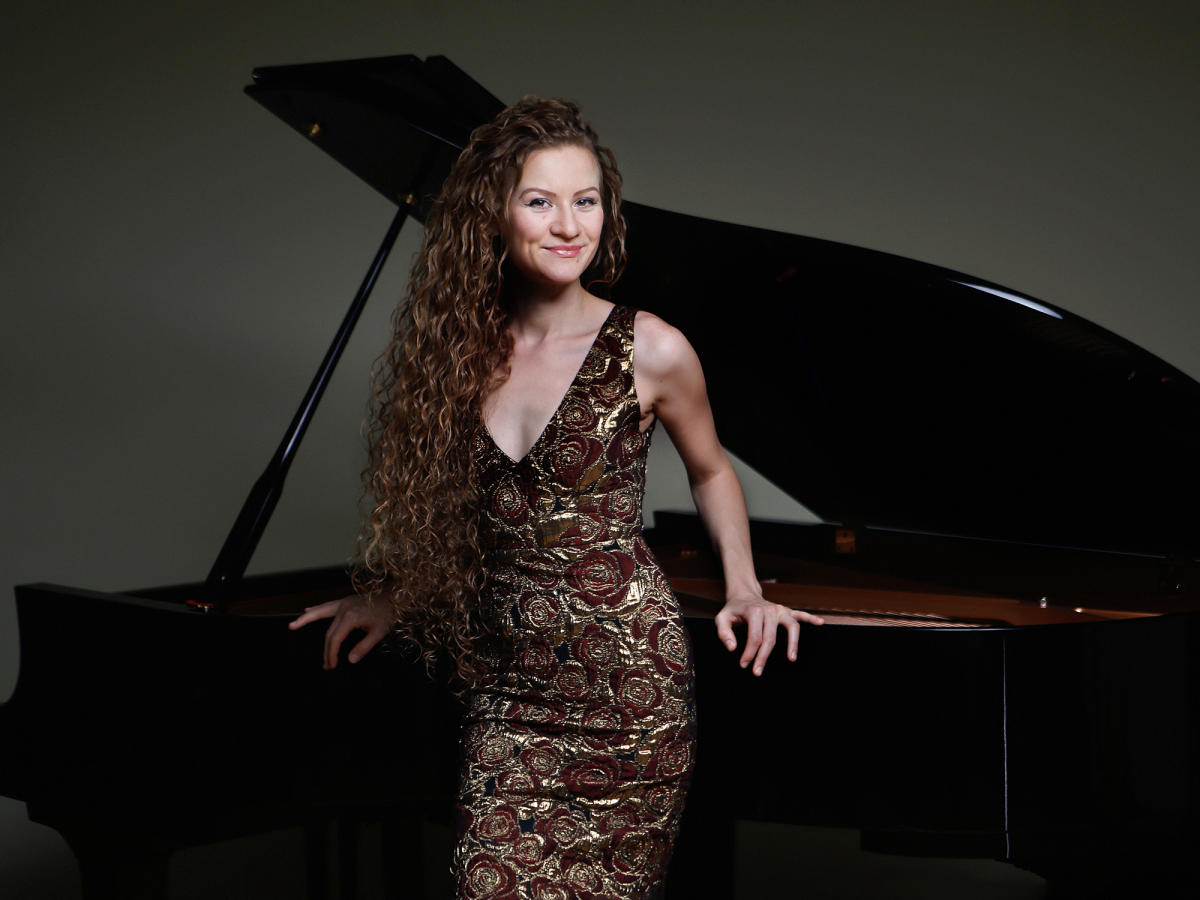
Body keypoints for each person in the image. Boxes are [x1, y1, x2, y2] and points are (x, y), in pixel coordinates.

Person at [290, 96, 823, 900]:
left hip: (626, 689)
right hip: (506, 697)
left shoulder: (652, 346)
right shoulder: (456, 349)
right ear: (494, 216)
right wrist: (395, 595)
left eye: (586, 200)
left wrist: (746, 589)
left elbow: (712, 470)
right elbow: (459, 514)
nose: (569, 224)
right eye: (540, 201)